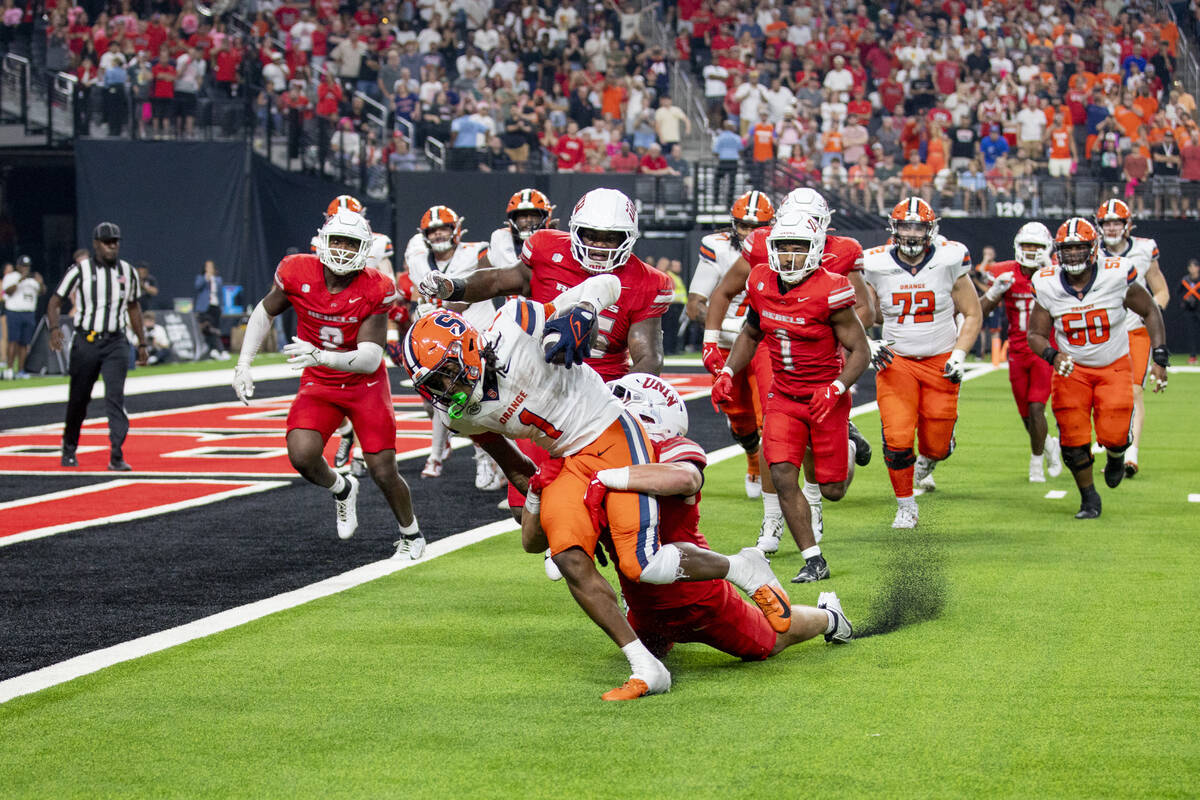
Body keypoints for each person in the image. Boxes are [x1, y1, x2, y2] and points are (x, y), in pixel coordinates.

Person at [400, 292, 792, 701]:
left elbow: (606, 284)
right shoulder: (457, 414)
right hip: (564, 459)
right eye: (434, 385)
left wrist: (583, 313)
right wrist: (539, 496)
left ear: (467, 347)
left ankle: (741, 567)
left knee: (641, 564)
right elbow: (509, 459)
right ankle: (645, 665)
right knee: (567, 555)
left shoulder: (513, 323)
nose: (445, 390)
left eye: (445, 374)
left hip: (609, 431)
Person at [524, 373, 853, 665]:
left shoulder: (668, 451)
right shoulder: (589, 462)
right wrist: (538, 493)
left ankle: (829, 616)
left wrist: (609, 476)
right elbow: (532, 542)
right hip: (643, 607)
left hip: (699, 601)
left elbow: (686, 479)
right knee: (647, 653)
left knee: (771, 641)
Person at [419, 188, 673, 520]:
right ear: (574, 230)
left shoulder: (647, 282)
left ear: (629, 238)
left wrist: (630, 401)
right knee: (523, 507)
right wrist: (455, 287)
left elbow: (647, 356)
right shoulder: (546, 248)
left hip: (599, 396)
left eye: (610, 238)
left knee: (610, 503)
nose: (598, 245)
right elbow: (499, 281)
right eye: (590, 235)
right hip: (536, 386)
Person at [232, 206, 424, 556]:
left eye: (351, 243)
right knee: (302, 455)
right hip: (320, 382)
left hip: (363, 385)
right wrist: (244, 363)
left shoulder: (376, 286)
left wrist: (321, 355)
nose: (342, 249)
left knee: (383, 470)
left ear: (364, 249)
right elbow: (265, 310)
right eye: (337, 240)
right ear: (322, 241)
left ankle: (411, 534)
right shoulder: (295, 269)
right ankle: (342, 488)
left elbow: (368, 359)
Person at [702, 188, 874, 555]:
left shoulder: (842, 252)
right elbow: (726, 293)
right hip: (772, 339)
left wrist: (836, 363)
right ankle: (772, 520)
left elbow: (865, 313)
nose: (791, 251)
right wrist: (711, 342)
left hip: (820, 347)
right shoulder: (764, 245)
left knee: (819, 453)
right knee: (773, 429)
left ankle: (814, 499)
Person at [1026, 218, 1168, 519]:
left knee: (1115, 435)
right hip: (1071, 371)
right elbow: (1035, 335)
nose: (1074, 254)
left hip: (1112, 366)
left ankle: (1117, 455)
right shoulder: (1047, 282)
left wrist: (1160, 356)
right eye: (1068, 248)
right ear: (1058, 251)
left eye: (1080, 248)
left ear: (1094, 249)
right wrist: (1053, 355)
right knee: (1072, 441)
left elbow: (1150, 311)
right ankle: (1089, 497)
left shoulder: (1115, 274)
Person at [862, 198, 983, 529]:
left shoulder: (948, 260)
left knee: (936, 446)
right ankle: (905, 505)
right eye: (906, 226)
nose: (912, 233)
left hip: (940, 359)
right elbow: (855, 311)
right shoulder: (873, 264)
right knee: (898, 436)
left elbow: (972, 312)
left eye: (918, 227)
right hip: (896, 360)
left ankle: (941, 446)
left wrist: (959, 354)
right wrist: (867, 341)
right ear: (894, 228)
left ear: (931, 230)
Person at [687, 190, 775, 501]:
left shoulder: (779, 250)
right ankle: (753, 460)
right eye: (744, 226)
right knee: (740, 419)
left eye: (758, 226)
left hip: (765, 345)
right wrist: (723, 330)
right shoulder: (718, 248)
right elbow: (695, 304)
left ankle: (775, 483)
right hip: (727, 345)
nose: (750, 234)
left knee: (770, 416)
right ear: (733, 225)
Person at [401, 204, 496, 486]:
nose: (439, 233)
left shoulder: (477, 250)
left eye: (444, 227)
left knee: (478, 399)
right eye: (433, 230)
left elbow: (485, 282)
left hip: (479, 335)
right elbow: (412, 290)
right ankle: (440, 449)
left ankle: (483, 459)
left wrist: (444, 308)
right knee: (437, 399)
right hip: (440, 342)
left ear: (456, 230)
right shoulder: (417, 257)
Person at [46, 222, 149, 470]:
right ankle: (69, 447)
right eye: (106, 242)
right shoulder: (80, 271)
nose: (112, 246)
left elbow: (134, 306)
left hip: (116, 342)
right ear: (96, 244)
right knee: (79, 399)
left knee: (115, 398)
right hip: (87, 341)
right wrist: (54, 328)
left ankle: (116, 454)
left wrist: (142, 342)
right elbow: (55, 300)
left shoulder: (128, 271)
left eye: (115, 241)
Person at [978, 223, 1065, 482]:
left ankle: (1036, 463)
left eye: (1036, 246)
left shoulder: (1056, 273)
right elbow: (978, 311)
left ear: (1047, 248)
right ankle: (1049, 446)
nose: (1031, 250)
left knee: (1037, 408)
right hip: (1017, 351)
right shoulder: (1004, 272)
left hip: (1045, 350)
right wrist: (994, 292)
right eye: (1027, 245)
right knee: (1027, 416)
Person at [1095, 200, 1170, 478]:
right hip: (1104, 331)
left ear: (1128, 224)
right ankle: (1112, 439)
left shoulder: (1144, 248)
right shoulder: (1091, 251)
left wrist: (1150, 314)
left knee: (1134, 390)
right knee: (1104, 392)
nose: (1112, 227)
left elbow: (1161, 291)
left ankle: (1132, 454)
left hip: (1135, 330)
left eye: (1116, 222)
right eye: (1107, 223)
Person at [2, 255, 45, 378]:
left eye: (27, 266)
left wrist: (40, 283)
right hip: (14, 312)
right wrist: (21, 280)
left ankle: (21, 370)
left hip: (29, 313)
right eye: (23, 266)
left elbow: (42, 291)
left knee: (25, 343)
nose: (25, 268)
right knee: (13, 341)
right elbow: (7, 291)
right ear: (18, 266)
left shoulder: (32, 280)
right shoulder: (11, 277)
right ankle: (10, 369)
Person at [194, 260, 229, 360]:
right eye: (207, 267)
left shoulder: (218, 279)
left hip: (215, 306)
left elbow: (220, 294)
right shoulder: (201, 278)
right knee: (209, 329)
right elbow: (198, 287)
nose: (209, 268)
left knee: (215, 329)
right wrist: (206, 277)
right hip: (204, 307)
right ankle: (220, 350)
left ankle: (214, 350)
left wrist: (222, 306)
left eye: (211, 267)